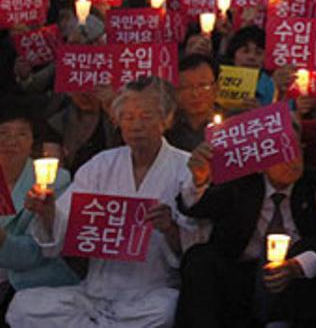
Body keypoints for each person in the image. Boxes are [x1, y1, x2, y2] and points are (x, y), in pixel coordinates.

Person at [9, 77, 193, 328]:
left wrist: (169, 227)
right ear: (117, 122)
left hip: (148, 293)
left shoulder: (186, 168)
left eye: (145, 116)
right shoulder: (101, 165)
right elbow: (65, 224)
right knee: (23, 306)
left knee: (165, 310)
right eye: (127, 118)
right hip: (93, 292)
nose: (136, 125)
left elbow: (196, 243)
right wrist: (48, 211)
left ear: (166, 119)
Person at [176, 131, 316, 328]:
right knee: (200, 258)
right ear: (261, 162)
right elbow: (195, 207)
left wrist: (296, 266)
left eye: (295, 153)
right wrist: (199, 180)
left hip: (293, 279)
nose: (291, 161)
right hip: (241, 273)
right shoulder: (240, 184)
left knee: (308, 263)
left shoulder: (313, 184)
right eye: (280, 155)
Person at [0, 101, 77, 293]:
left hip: (31, 282)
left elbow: (36, 252)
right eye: (3, 133)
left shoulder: (55, 180)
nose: (11, 141)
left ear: (32, 141)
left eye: (21, 134)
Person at [165, 56, 218, 152]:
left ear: (216, 88)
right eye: (185, 87)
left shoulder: (232, 124)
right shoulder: (165, 127)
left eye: (203, 86)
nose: (195, 94)